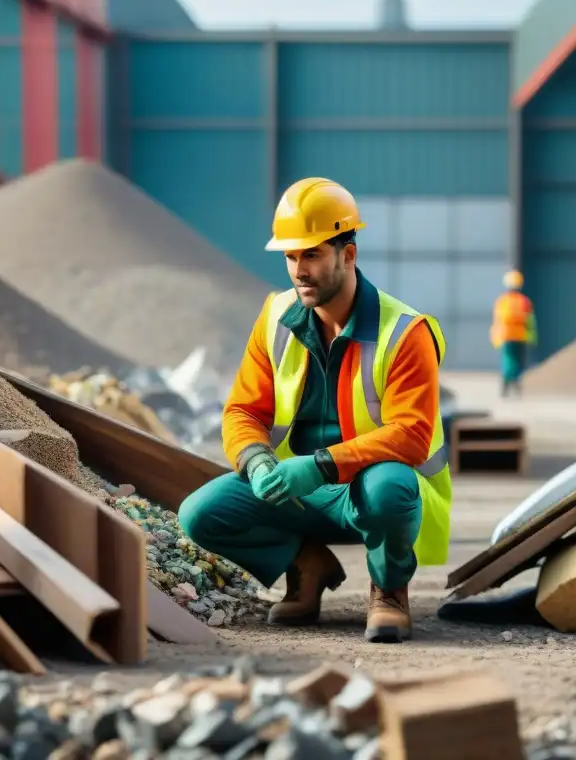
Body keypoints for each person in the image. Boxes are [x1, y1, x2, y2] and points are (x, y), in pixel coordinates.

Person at [178, 177, 452, 644]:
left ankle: (388, 589)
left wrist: (324, 463)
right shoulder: (276, 318)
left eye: (312, 254)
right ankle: (306, 565)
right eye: (291, 256)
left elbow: (411, 434)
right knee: (200, 514)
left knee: (390, 487)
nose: (299, 270)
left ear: (348, 255)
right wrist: (258, 460)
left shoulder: (405, 332)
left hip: (368, 492)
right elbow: (243, 410)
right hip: (296, 490)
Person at [490, 270, 537, 397]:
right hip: (521, 336)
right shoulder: (525, 301)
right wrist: (533, 338)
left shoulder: (502, 301)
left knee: (508, 361)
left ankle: (506, 386)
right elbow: (530, 321)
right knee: (518, 362)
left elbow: (497, 321)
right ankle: (515, 385)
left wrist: (495, 337)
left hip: (506, 336)